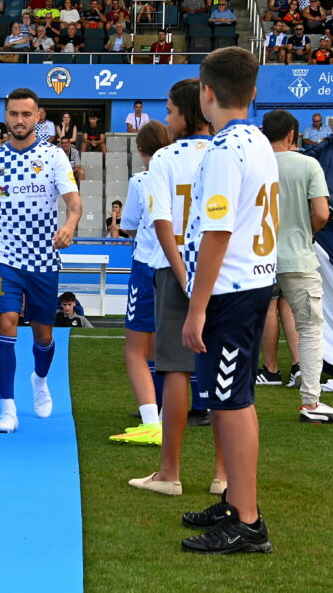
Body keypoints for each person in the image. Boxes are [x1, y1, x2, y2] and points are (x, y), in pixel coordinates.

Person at [176, 47, 277, 555]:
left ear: (205, 92)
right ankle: (237, 502)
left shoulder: (223, 149)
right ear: (253, 93)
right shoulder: (258, 139)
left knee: (232, 401)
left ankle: (249, 521)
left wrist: (196, 308)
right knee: (228, 397)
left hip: (231, 291)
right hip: (252, 283)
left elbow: (216, 234)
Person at [0, 87, 82, 433]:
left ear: (37, 116)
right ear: (5, 116)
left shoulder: (55, 156)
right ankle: (7, 409)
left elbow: (74, 202)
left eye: (26, 114)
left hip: (43, 257)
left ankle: (40, 381)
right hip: (5, 255)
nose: (19, 120)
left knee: (43, 335)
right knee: (7, 323)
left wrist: (70, 225)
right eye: (13, 114)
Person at [129, 80, 220, 491]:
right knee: (223, 371)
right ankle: (223, 475)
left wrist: (181, 271)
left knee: (174, 368)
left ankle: (170, 473)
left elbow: (161, 220)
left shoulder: (164, 158)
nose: (166, 118)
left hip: (173, 268)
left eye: (169, 110)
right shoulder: (227, 150)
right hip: (224, 271)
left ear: (186, 112)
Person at [262, 110, 333, 423]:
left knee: (245, 324)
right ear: (292, 135)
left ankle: (225, 398)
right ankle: (311, 403)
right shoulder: (308, 164)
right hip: (297, 258)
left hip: (257, 258)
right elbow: (323, 213)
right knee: (310, 328)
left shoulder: (254, 164)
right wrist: (305, 233)